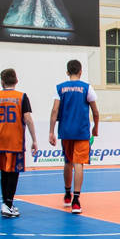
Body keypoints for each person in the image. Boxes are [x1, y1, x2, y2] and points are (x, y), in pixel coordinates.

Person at [48, 60, 99, 214]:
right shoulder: (86, 88)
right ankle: (76, 201)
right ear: (81, 72)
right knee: (79, 164)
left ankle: (67, 194)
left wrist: (51, 131)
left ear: (67, 72)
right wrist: (96, 127)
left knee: (68, 162)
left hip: (66, 131)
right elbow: (95, 112)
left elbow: (54, 111)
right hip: (81, 132)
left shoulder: (60, 88)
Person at [0, 69, 38, 217]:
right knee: (13, 172)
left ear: (2, 81)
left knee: (4, 171)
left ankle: (6, 203)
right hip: (14, 140)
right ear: (16, 81)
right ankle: (8, 204)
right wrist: (34, 139)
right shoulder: (21, 97)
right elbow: (28, 118)